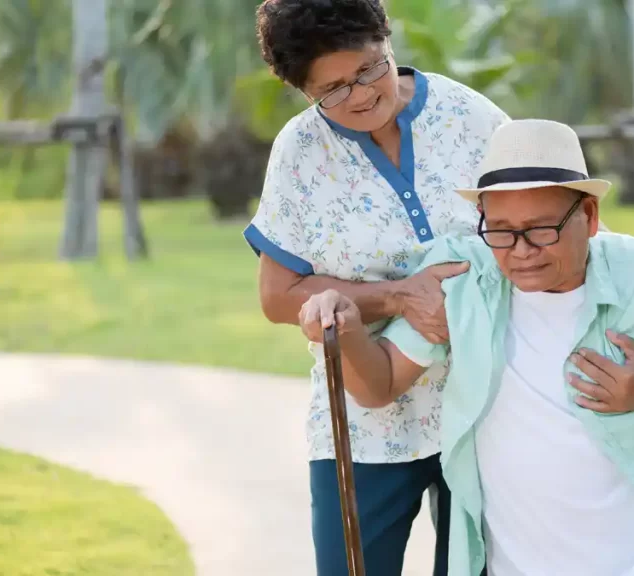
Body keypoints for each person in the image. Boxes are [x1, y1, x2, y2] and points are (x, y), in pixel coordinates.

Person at [299, 119, 634, 576]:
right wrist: (349, 328)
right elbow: (380, 384)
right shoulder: (465, 279)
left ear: (588, 217)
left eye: (541, 229)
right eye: (502, 231)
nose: (522, 251)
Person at [245, 1, 525, 574]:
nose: (362, 95)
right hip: (362, 427)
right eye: (333, 90)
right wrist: (398, 296)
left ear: (386, 38)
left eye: (371, 69)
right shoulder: (299, 153)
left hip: (485, 411)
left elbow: (535, 238)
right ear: (305, 92)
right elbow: (279, 296)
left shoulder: (469, 117)